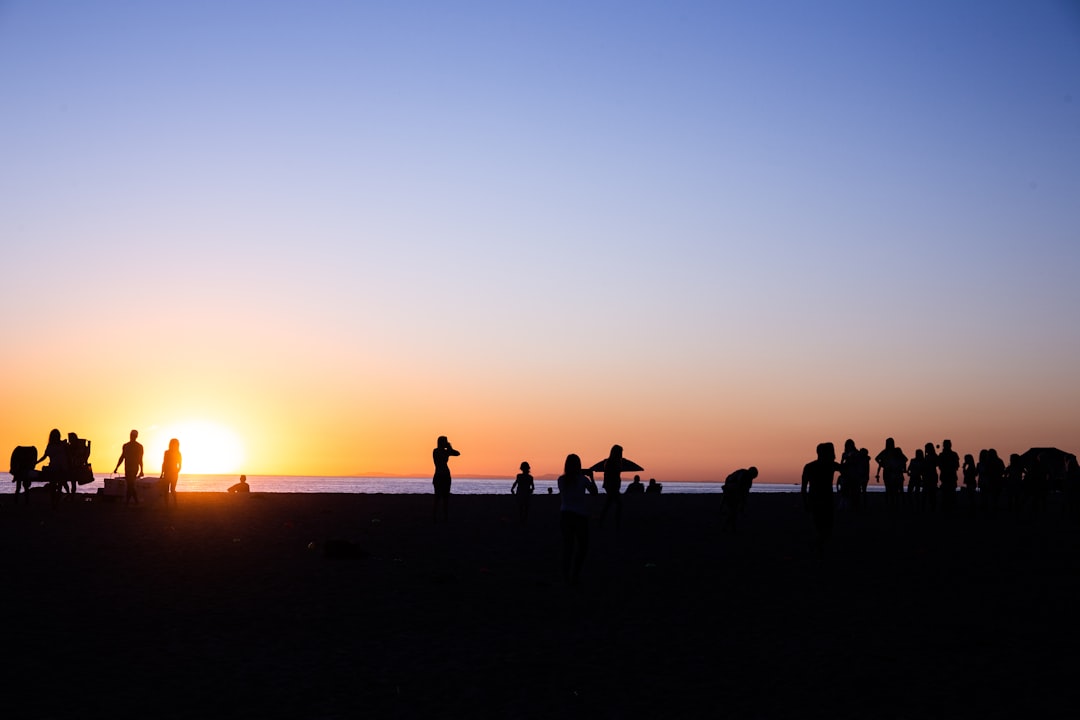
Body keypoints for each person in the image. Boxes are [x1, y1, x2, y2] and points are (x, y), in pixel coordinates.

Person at [558, 453, 597, 586]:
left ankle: (565, 576)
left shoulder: (561, 480)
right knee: (582, 547)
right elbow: (594, 493)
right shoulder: (583, 479)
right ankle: (575, 575)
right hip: (580, 515)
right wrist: (591, 477)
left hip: (565, 514)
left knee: (568, 547)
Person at [802, 442, 840, 556]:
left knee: (821, 528)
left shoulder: (809, 466)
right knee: (826, 528)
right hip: (825, 500)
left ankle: (818, 548)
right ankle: (819, 548)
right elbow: (846, 470)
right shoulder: (831, 465)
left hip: (815, 499)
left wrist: (805, 502)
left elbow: (803, 487)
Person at [36, 428, 69, 507]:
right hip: (61, 468)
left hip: (55, 468)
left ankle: (54, 502)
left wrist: (37, 462)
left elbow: (44, 456)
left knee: (53, 486)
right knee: (59, 485)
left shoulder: (51, 446)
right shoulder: (62, 444)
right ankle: (56, 502)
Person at [720, 467, 758, 531]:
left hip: (732, 491)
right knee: (733, 510)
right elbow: (742, 489)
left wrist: (743, 503)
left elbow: (745, 492)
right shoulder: (744, 475)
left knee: (733, 511)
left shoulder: (746, 476)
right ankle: (728, 527)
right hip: (731, 491)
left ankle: (730, 526)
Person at [432, 436, 459, 523]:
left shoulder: (445, 451)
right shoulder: (436, 451)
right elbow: (444, 457)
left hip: (444, 476)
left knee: (445, 497)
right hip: (440, 475)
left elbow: (458, 453)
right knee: (438, 497)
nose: (446, 443)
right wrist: (449, 449)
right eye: (445, 442)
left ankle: (445, 517)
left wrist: (449, 448)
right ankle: (435, 517)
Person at [114, 430, 144, 505]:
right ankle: (136, 501)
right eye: (131, 435)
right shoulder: (125, 446)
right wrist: (117, 467)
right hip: (127, 468)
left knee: (130, 484)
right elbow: (122, 457)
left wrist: (141, 470)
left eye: (133, 435)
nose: (132, 436)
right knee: (130, 484)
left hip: (134, 468)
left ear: (136, 436)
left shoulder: (139, 447)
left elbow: (140, 459)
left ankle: (128, 502)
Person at [598, 444, 625, 529]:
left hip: (612, 485)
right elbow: (611, 475)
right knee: (618, 504)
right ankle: (616, 523)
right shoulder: (611, 462)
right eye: (620, 452)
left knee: (608, 504)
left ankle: (601, 520)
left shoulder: (614, 462)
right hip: (611, 485)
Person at [160, 438, 182, 505]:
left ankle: (175, 502)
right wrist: (162, 473)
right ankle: (166, 505)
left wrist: (176, 472)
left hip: (174, 474)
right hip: (166, 473)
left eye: (175, 444)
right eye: (173, 444)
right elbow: (164, 463)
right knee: (165, 490)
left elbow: (180, 465)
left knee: (172, 490)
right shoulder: (166, 452)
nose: (174, 445)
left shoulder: (178, 453)